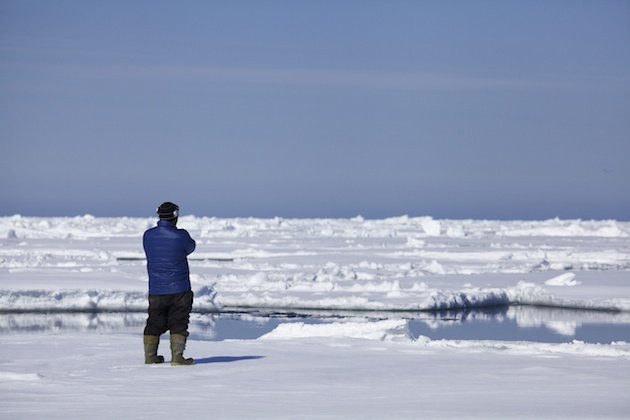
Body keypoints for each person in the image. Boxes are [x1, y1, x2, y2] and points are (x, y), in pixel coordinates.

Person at [142, 202, 196, 365]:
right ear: (175, 216)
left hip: (157, 289)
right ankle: (177, 357)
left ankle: (150, 357)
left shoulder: (148, 235)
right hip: (180, 288)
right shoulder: (181, 236)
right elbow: (191, 247)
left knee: (154, 321)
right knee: (179, 321)